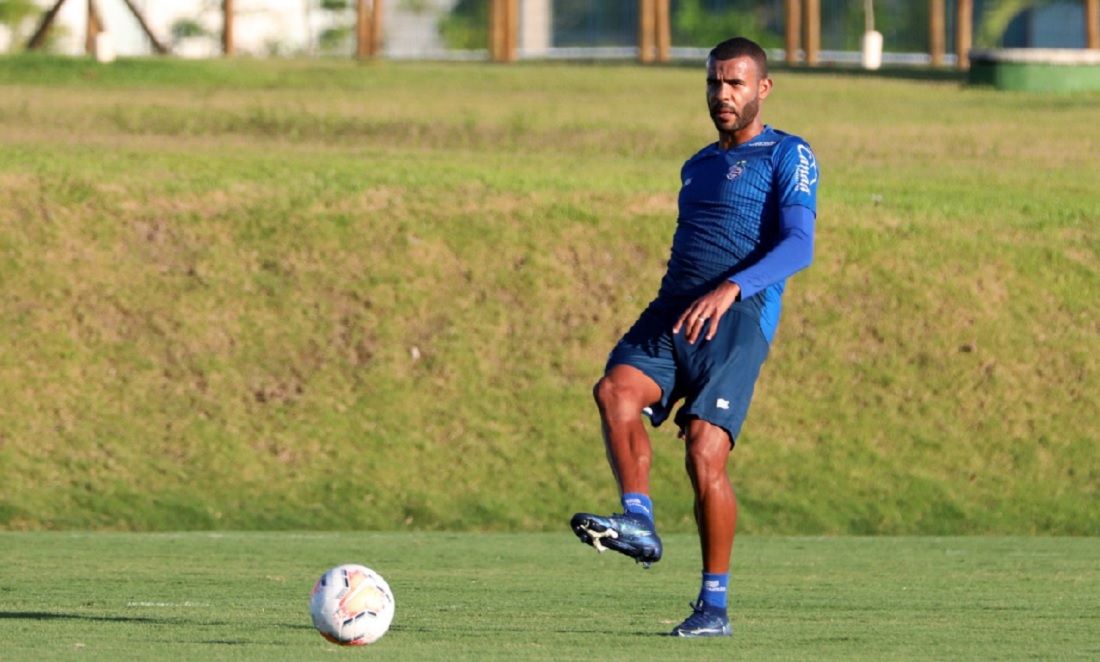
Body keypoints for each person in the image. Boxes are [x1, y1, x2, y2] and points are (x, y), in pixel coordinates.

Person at [570, 36, 818, 638]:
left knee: (705, 449)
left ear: (763, 88)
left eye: (735, 83)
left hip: (738, 317)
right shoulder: (697, 164)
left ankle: (714, 607)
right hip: (675, 312)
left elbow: (799, 244)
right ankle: (638, 522)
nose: (722, 94)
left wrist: (732, 289)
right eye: (714, 82)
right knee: (615, 392)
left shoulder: (789, 154)